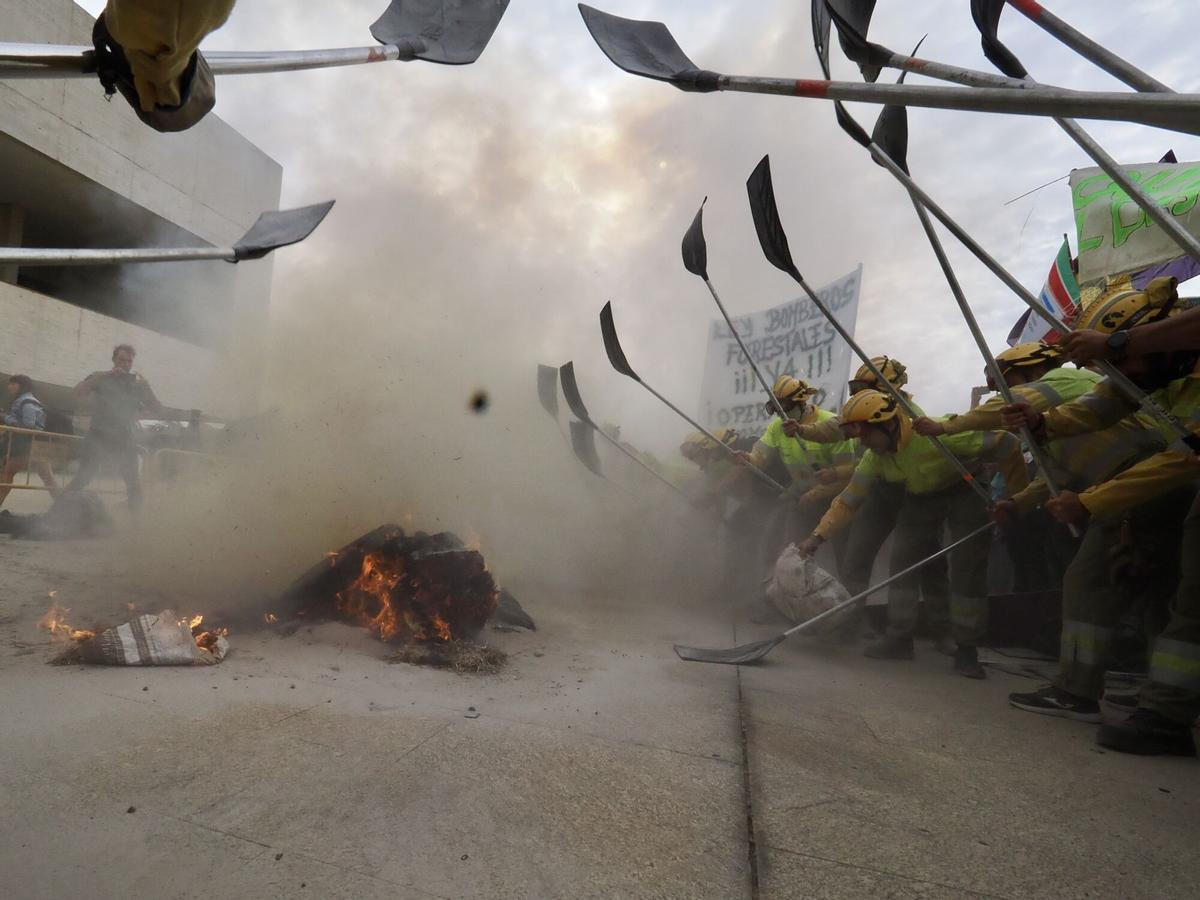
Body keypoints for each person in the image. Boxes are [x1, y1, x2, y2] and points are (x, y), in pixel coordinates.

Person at [1001, 278, 1200, 755]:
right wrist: (1044, 424)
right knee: (1173, 590)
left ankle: (1157, 709)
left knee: (1191, 592)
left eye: (1120, 361)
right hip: (1164, 486)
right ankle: (1164, 701)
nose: (1115, 374)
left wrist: (1090, 502)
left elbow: (1185, 458)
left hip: (1159, 481)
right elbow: (1103, 403)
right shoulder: (1162, 369)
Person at [797, 389, 1029, 678]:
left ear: (888, 424)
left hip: (966, 489)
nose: (862, 442)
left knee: (967, 566)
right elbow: (848, 500)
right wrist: (816, 538)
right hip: (921, 497)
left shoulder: (936, 435)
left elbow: (1006, 443)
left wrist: (1020, 500)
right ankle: (899, 638)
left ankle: (967, 647)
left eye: (865, 434)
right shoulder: (875, 457)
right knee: (903, 558)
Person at [916, 342, 1166, 589]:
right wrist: (1017, 503)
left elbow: (1007, 402)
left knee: (1092, 583)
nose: (1005, 391)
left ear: (1032, 370)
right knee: (1110, 580)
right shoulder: (1052, 423)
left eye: (1008, 380)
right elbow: (1053, 473)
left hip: (1143, 479)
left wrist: (944, 426)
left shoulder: (1068, 379)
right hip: (1117, 489)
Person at [794, 356, 952, 649]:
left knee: (925, 561)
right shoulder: (867, 423)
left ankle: (938, 631)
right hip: (880, 488)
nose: (856, 394)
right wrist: (817, 537)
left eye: (863, 386)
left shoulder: (916, 426)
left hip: (919, 494)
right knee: (857, 555)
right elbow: (836, 435)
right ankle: (849, 623)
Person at [739, 376, 857, 573]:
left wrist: (814, 494)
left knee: (844, 556)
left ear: (802, 402)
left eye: (785, 407)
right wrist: (748, 459)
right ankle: (788, 595)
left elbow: (846, 475)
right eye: (776, 409)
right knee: (791, 551)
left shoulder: (832, 425)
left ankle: (848, 599)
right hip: (803, 500)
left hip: (836, 500)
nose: (781, 415)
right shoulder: (776, 428)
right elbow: (760, 454)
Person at [67, 344, 162, 510]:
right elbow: (77, 392)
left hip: (125, 437)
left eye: (129, 361)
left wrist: (147, 386)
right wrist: (108, 374)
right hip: (98, 435)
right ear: (113, 360)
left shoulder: (137, 384)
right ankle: (59, 511)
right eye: (121, 360)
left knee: (132, 480)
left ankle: (135, 523)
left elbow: (157, 408)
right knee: (84, 475)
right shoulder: (100, 376)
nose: (125, 364)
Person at [0, 375, 60, 508]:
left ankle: (64, 507)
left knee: (7, 473)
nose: (9, 386)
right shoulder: (26, 400)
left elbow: (29, 426)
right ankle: (64, 507)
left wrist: (6, 418)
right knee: (48, 478)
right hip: (36, 444)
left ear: (21, 385)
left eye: (13, 383)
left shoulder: (26, 401)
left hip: (28, 445)